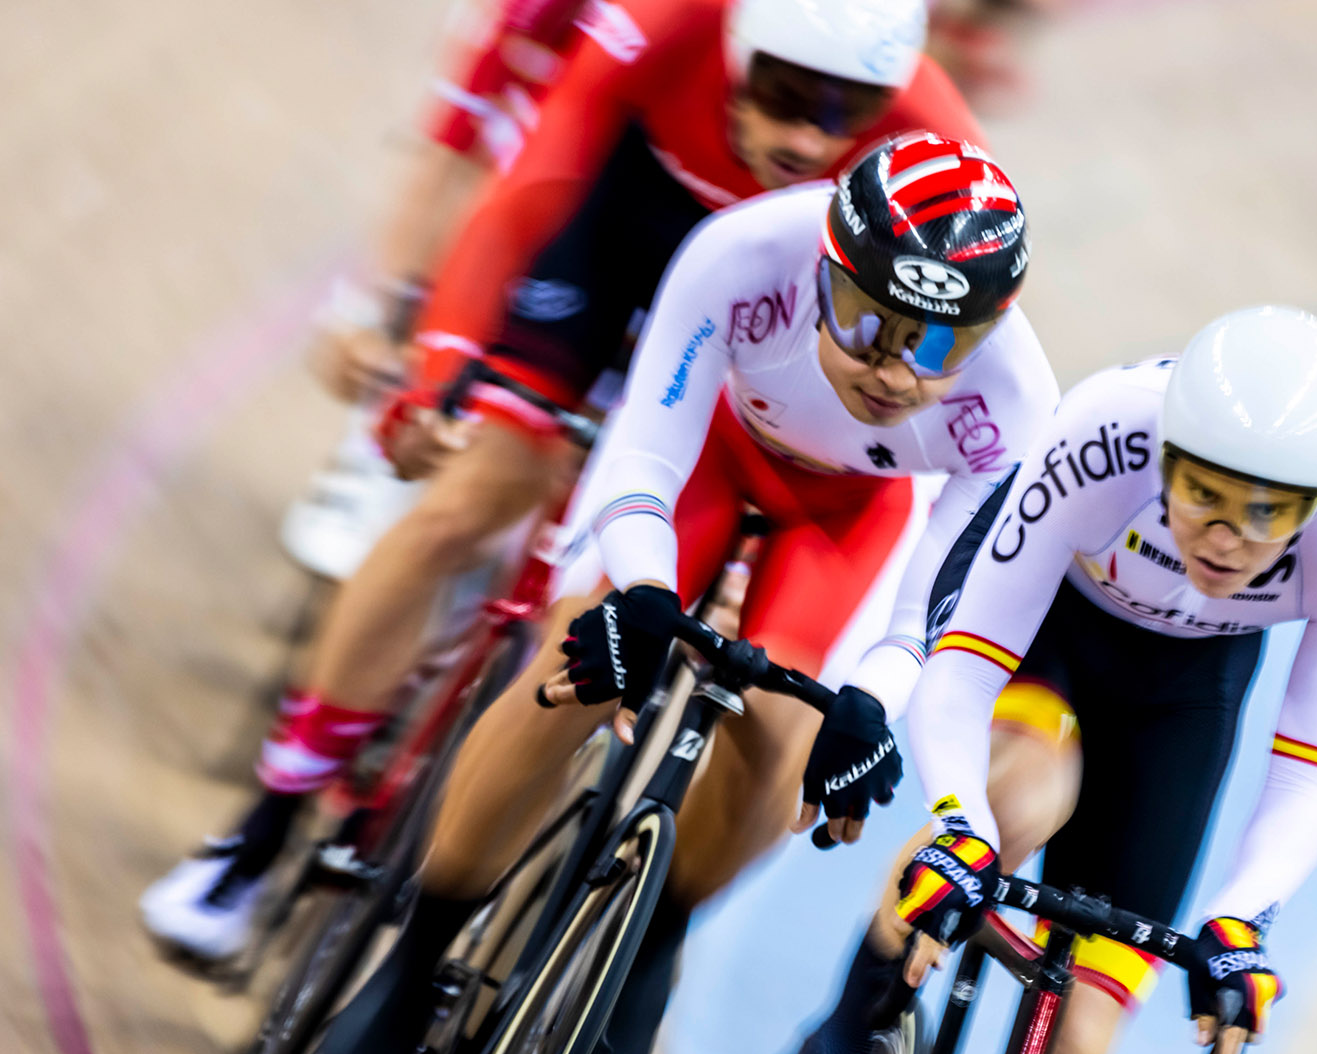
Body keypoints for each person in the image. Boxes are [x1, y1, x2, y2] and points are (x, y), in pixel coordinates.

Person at [140, 0, 977, 964]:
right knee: (468, 500)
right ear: (739, 55)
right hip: (625, 234)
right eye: (785, 98)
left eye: (847, 115)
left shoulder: (937, 132)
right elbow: (533, 184)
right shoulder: (663, 24)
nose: (808, 136)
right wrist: (441, 365)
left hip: (763, 331)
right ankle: (263, 827)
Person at [313, 133, 1059, 1054]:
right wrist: (641, 596)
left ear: (986, 328)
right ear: (826, 272)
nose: (891, 369)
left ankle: (653, 938)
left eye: (932, 344)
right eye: (866, 321)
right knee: (571, 672)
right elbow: (643, 456)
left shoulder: (1014, 406)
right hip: (707, 454)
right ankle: (417, 953)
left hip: (846, 517)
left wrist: (870, 706)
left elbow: (931, 612)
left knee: (784, 740)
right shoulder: (745, 252)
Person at [741, 307, 1317, 1054]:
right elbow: (963, 670)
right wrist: (962, 832)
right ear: (1166, 457)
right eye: (1203, 499)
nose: (1227, 539)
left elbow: (1310, 770)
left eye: (1266, 512)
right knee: (1022, 798)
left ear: (1314, 502)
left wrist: (1239, 923)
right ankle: (845, 1040)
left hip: (1182, 694)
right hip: (1048, 627)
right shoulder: (1103, 432)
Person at [288, 0, 592, 579]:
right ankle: (395, 407)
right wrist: (380, 313)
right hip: (515, 204)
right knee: (491, 185)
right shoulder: (535, 16)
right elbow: (448, 151)